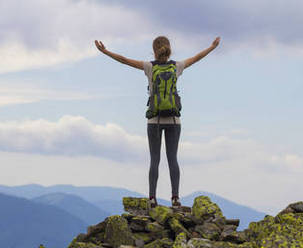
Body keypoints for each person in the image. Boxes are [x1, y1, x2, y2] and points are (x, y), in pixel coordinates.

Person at [94, 36, 220, 207]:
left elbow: (124, 60)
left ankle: (152, 198)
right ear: (169, 49)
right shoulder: (177, 66)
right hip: (174, 120)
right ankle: (175, 198)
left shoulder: (149, 67)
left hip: (154, 120)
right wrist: (212, 47)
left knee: (155, 159)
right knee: (172, 159)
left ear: (154, 50)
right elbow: (197, 58)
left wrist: (105, 51)